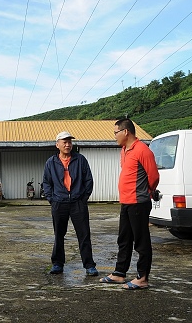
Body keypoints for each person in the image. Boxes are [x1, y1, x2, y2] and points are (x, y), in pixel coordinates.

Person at [100, 118, 159, 290]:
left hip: (138, 202)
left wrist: (145, 191)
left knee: (141, 241)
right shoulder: (124, 150)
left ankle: (142, 278)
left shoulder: (143, 150)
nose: (115, 137)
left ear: (125, 132)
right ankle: (119, 273)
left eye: (115, 133)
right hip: (126, 202)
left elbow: (154, 177)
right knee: (124, 239)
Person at [42, 131, 98, 277]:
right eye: (64, 142)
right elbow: (46, 183)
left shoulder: (80, 160)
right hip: (59, 203)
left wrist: (83, 198)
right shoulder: (51, 162)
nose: (68, 145)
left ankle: (89, 265)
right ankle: (57, 264)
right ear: (57, 145)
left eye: (69, 142)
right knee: (59, 235)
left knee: (84, 234)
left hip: (77, 203)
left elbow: (88, 180)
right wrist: (52, 199)